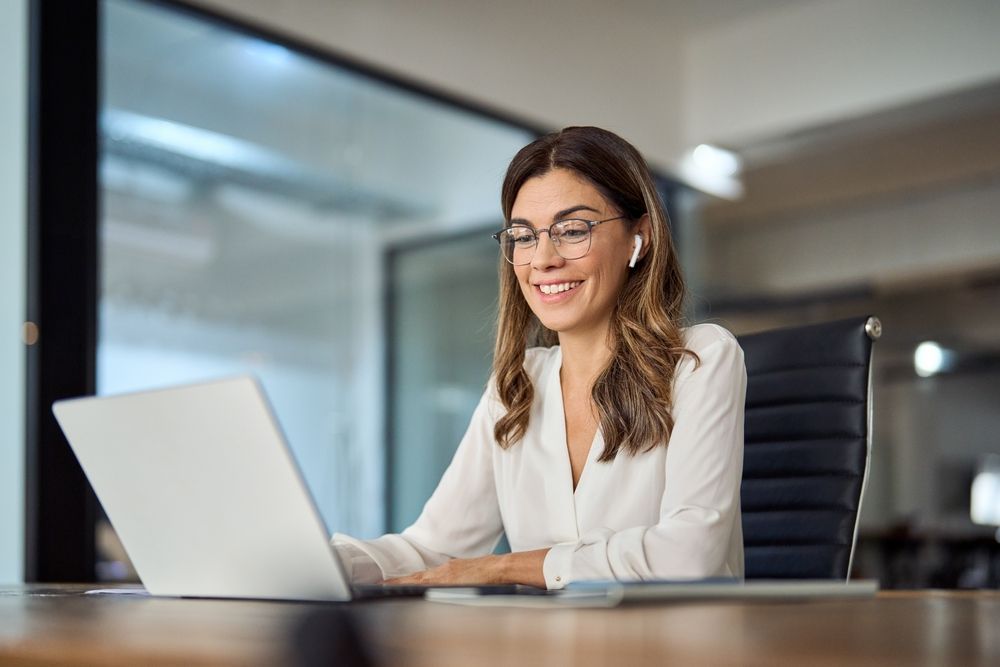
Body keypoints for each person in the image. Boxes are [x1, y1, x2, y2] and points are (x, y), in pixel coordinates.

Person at [333, 126, 746, 589]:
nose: (543, 259)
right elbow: (434, 547)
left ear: (640, 238)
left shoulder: (700, 358)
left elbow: (689, 556)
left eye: (573, 230)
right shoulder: (516, 385)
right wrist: (323, 560)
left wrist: (504, 566)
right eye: (524, 236)